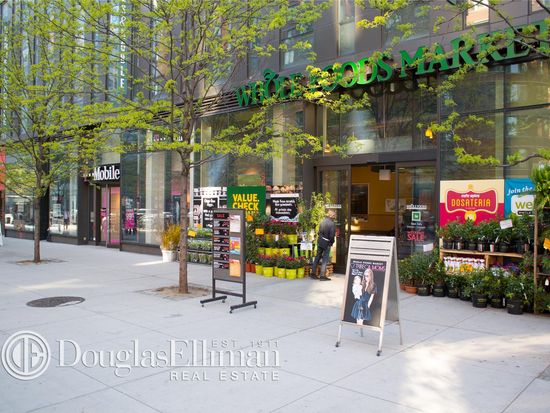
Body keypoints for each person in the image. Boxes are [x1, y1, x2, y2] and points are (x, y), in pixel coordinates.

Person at [310, 209, 336, 281]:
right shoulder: (332, 224)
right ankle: (322, 276)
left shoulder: (322, 221)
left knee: (317, 257)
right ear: (332, 215)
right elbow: (332, 236)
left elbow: (319, 232)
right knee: (325, 259)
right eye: (334, 215)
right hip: (327, 243)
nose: (335, 216)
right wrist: (331, 242)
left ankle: (313, 273)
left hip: (320, 241)